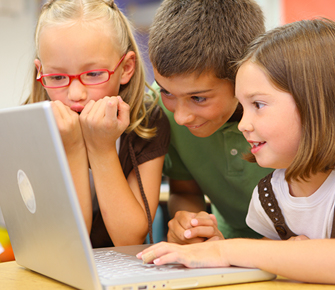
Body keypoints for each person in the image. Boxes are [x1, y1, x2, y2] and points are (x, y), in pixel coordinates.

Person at [137, 18, 335, 284]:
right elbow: (270, 259)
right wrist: (217, 250)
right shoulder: (273, 193)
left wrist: (225, 250)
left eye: (258, 104)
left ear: (317, 103)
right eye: (244, 105)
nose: (243, 124)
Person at [25, 0, 170, 248]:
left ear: (126, 68)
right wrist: (73, 149)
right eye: (58, 77)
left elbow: (129, 238)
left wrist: (101, 149)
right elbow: (68, 243)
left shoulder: (148, 121)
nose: (76, 94)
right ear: (41, 72)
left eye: (93, 74)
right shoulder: (29, 125)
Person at [148, 0, 272, 243]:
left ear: (242, 76)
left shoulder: (294, 106)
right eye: (167, 91)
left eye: (198, 98)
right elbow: (184, 190)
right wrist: (192, 226)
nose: (181, 117)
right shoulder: (160, 106)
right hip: (227, 246)